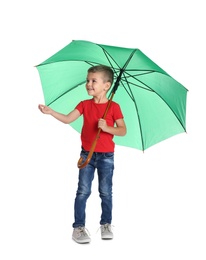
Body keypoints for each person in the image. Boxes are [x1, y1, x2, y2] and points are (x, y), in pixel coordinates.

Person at [38, 65, 126, 244]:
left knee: (106, 192)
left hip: (106, 156)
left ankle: (106, 224)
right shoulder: (84, 104)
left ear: (107, 85)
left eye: (94, 81)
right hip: (87, 155)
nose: (89, 84)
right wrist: (52, 112)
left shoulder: (114, 107)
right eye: (88, 80)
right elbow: (68, 119)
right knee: (83, 191)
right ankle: (78, 227)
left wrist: (107, 127)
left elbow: (123, 130)